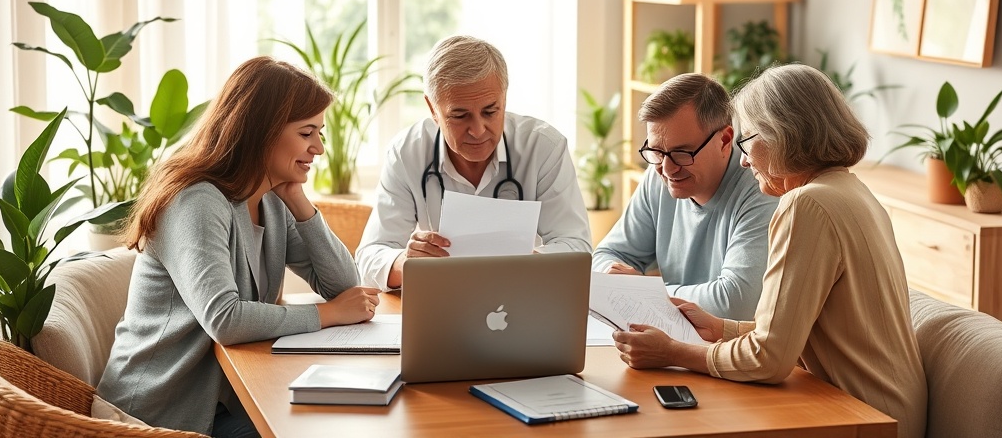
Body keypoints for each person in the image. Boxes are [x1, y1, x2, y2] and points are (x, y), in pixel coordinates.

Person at [612, 64, 927, 438]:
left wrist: (673, 352)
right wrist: (720, 328)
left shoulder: (805, 206)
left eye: (748, 141)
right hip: (885, 409)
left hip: (862, 416)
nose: (743, 160)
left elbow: (769, 359)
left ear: (784, 136)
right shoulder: (851, 190)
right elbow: (793, 332)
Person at [97, 56, 381, 437]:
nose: (319, 148)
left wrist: (300, 202)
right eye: (307, 132)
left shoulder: (271, 200)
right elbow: (225, 319)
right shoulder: (196, 201)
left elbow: (346, 286)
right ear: (261, 132)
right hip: (159, 413)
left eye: (320, 133)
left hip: (224, 399)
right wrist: (328, 314)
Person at [356, 35, 592, 289]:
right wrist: (406, 262)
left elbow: (577, 247)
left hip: (522, 294)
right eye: (460, 115)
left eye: (490, 111)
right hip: (444, 300)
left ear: (505, 98)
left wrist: (524, 264)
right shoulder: (406, 152)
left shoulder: (544, 147)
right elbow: (370, 258)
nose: (478, 130)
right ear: (433, 109)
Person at [592, 73, 777, 320]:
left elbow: (736, 304)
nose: (667, 169)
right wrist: (615, 276)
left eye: (682, 153)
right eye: (656, 151)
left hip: (729, 349)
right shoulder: (658, 175)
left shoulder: (761, 189)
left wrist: (647, 293)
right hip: (677, 337)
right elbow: (606, 256)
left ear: (724, 140)